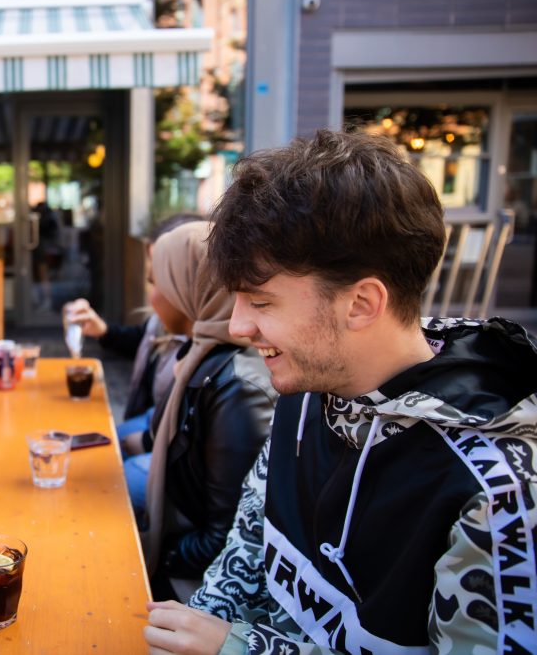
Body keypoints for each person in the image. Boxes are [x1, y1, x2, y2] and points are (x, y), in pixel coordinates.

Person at [144, 130, 537, 654]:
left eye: (260, 303)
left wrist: (242, 649)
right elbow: (242, 558)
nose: (237, 326)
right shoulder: (306, 391)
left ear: (361, 304)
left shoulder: (495, 495)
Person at [133, 221, 275, 596]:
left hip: (194, 586)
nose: (152, 298)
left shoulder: (236, 386)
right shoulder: (198, 356)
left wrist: (149, 556)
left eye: (157, 282)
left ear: (190, 289)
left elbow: (225, 539)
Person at [65, 213, 199, 442]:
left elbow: (188, 437)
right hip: (151, 422)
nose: (152, 293)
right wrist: (104, 331)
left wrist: (140, 443)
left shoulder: (208, 346)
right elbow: (143, 341)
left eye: (162, 277)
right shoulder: (162, 321)